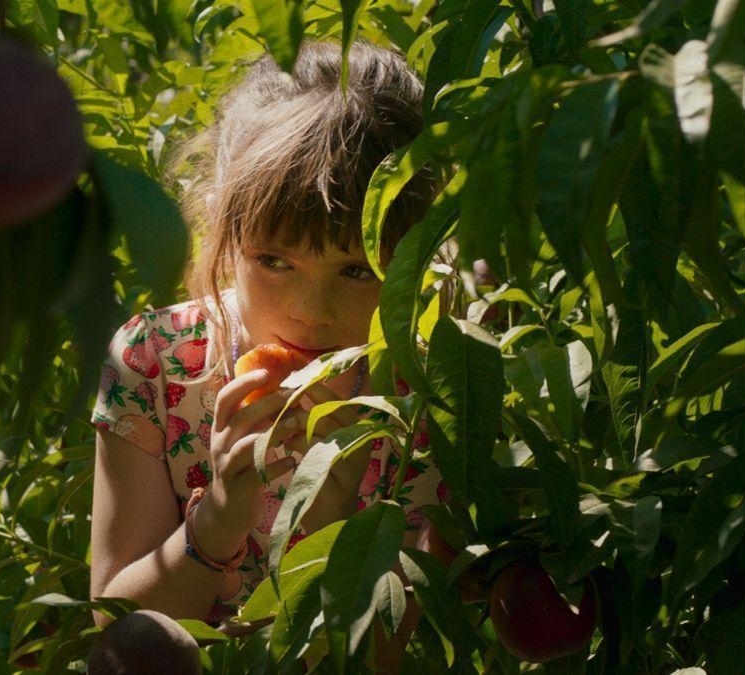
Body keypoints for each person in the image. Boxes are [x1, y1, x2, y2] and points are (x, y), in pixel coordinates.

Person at [90, 39, 452, 663]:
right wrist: (218, 521)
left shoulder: (428, 395)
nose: (310, 311)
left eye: (356, 271)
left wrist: (333, 510)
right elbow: (116, 628)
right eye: (274, 261)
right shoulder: (157, 364)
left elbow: (382, 654)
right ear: (223, 226)